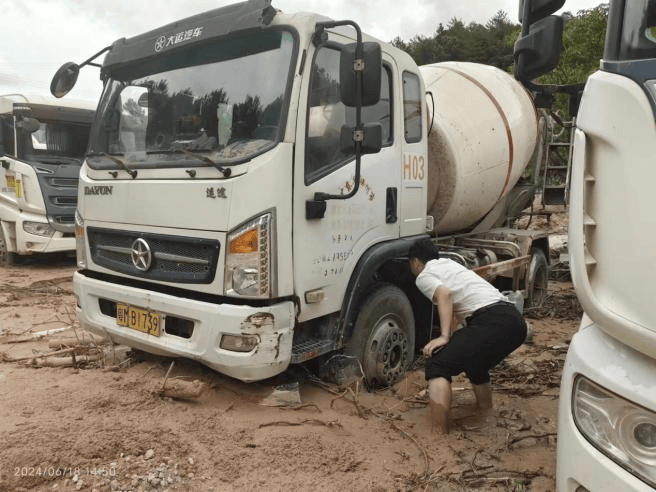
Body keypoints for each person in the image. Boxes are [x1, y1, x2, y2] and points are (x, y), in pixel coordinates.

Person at [408, 237, 527, 434]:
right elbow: (454, 306)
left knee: (438, 364)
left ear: (415, 262)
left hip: (491, 320)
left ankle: (437, 435)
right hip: (514, 321)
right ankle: (485, 413)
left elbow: (444, 295)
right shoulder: (450, 265)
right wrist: (453, 340)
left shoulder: (423, 275)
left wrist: (444, 337)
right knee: (475, 362)